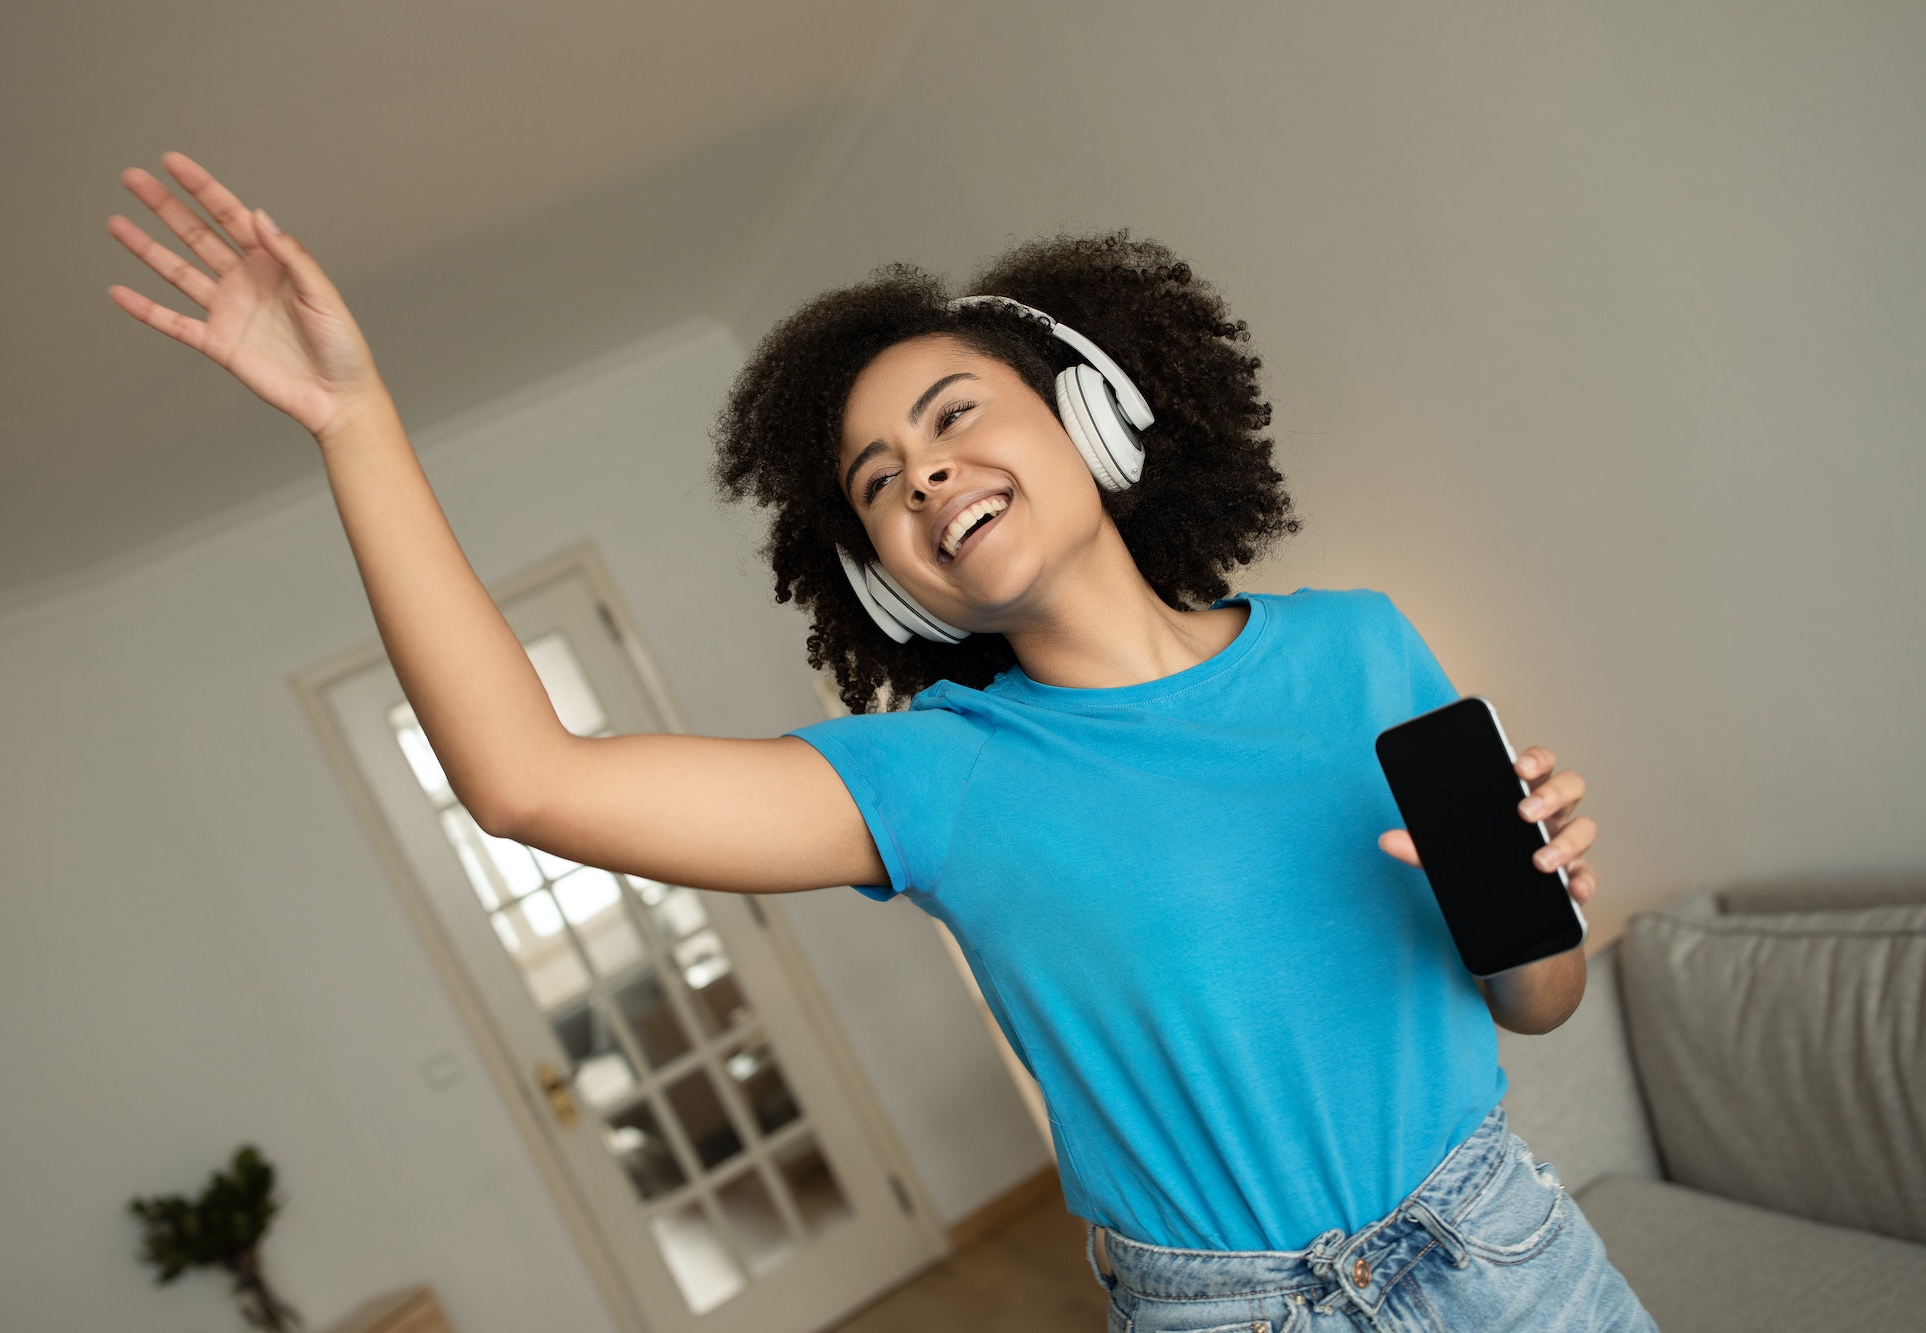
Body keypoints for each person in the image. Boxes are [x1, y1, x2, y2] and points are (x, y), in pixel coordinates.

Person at [106, 152, 1655, 1332]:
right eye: (874, 480)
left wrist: (1536, 896)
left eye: (956, 413)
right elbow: (528, 780)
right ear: (880, 569)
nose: (924, 474)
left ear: (1093, 416)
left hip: (1516, 1255)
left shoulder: (1359, 644)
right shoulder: (938, 775)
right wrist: (354, 419)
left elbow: (1537, 1000)